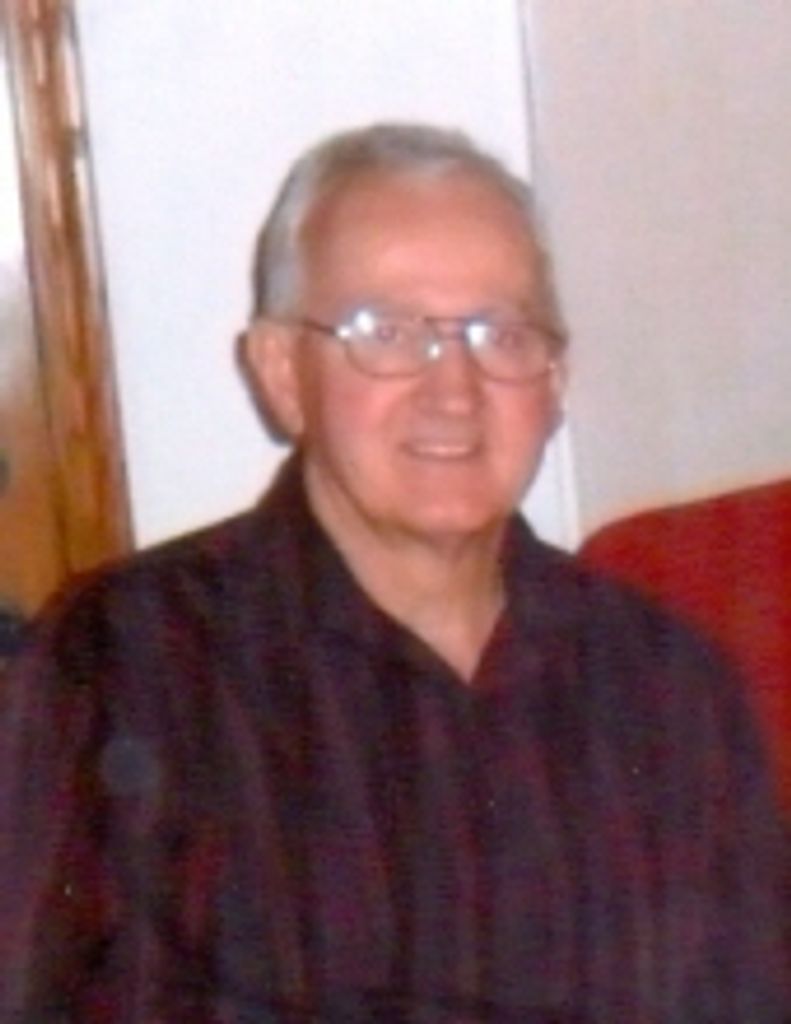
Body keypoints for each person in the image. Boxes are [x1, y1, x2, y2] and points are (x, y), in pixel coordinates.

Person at [0, 123, 786, 1022]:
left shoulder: (667, 685)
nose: (452, 391)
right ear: (281, 373)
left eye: (500, 335)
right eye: (386, 333)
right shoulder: (125, 666)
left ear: (555, 381)